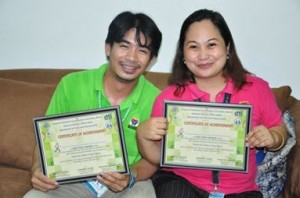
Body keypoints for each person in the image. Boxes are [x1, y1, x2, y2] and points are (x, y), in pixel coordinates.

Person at [137, 9, 287, 198]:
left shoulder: (257, 88)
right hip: (182, 183)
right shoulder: (169, 98)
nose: (202, 55)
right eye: (193, 47)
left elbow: (279, 131)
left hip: (241, 191)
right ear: (183, 53)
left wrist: (273, 137)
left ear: (228, 47)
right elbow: (159, 158)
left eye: (211, 45)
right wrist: (142, 135)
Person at [24, 11, 162, 198]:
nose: (131, 57)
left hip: (126, 184)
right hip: (70, 181)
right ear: (108, 48)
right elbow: (45, 139)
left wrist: (131, 176)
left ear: (151, 60)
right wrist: (37, 170)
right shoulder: (71, 84)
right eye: (124, 46)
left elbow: (154, 158)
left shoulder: (156, 99)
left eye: (142, 51)